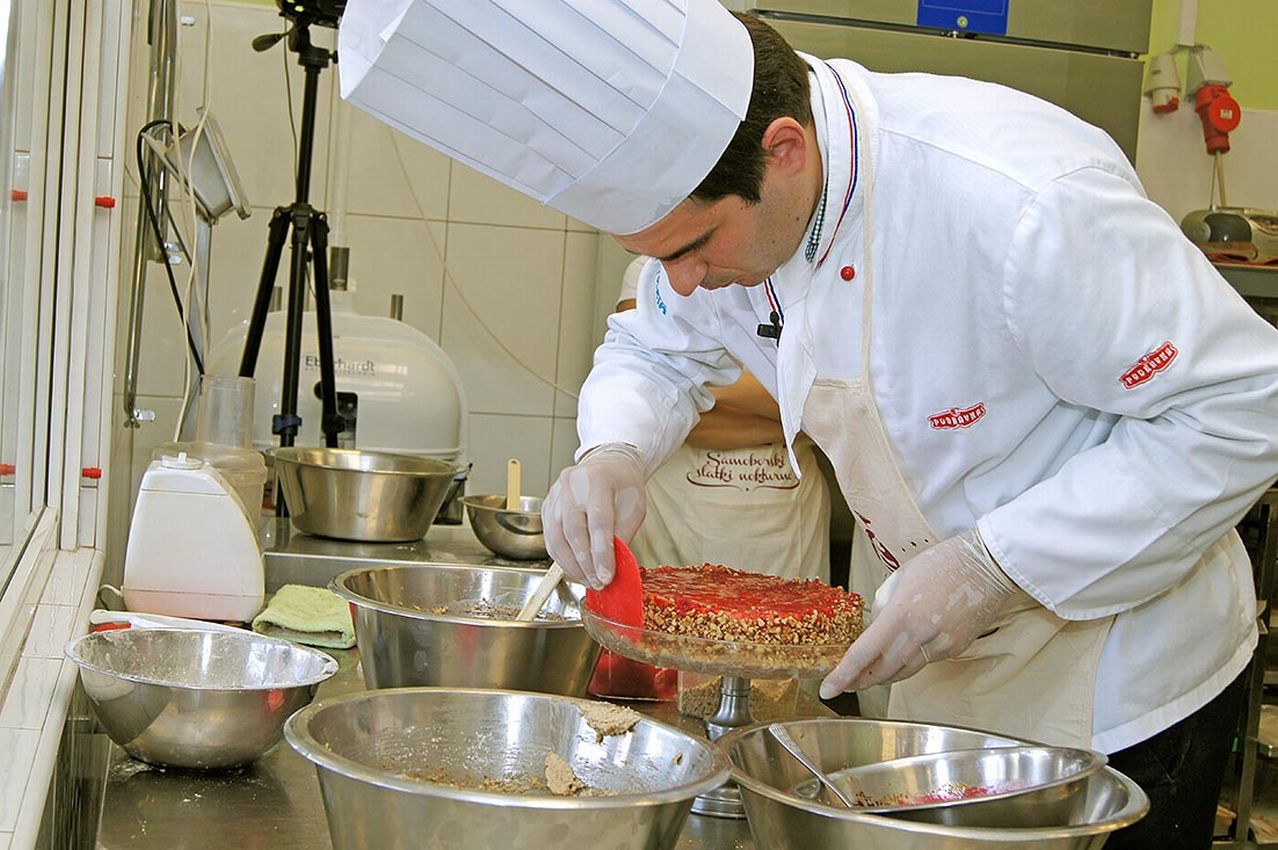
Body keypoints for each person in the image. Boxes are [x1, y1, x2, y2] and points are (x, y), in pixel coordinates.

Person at [337, 3, 1278, 845]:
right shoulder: (737, 215)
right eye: (655, 257)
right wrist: (614, 449)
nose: (683, 283)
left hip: (1118, 685)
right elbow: (656, 349)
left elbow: (1245, 407)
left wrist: (995, 568)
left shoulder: (1020, 201)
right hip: (936, 673)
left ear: (784, 151)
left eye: (693, 248)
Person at [614, 255, 830, 580]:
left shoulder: (814, 270)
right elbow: (659, 401)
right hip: (676, 513)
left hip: (787, 518)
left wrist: (696, 390)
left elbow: (827, 407)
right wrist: (788, 413)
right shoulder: (651, 272)